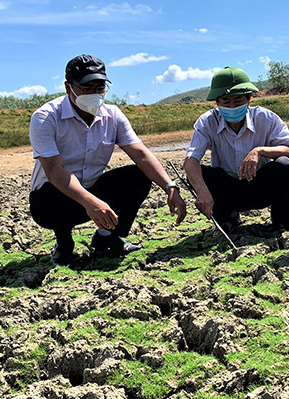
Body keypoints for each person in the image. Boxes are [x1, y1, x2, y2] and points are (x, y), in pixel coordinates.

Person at [29, 54, 186, 265]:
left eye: (99, 88)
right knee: (51, 192)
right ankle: (64, 242)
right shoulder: (45, 117)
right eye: (86, 88)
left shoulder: (113, 115)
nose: (94, 94)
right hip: (53, 198)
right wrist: (90, 201)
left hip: (93, 190)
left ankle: (107, 238)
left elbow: (140, 154)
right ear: (68, 88)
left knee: (137, 176)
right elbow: (55, 169)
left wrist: (170, 187)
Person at [184, 67, 289, 235]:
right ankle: (228, 219)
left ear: (248, 99)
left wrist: (259, 151)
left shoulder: (266, 118)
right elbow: (191, 160)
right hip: (228, 190)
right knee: (197, 173)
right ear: (217, 103)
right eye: (226, 102)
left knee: (285, 165)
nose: (232, 106)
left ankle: (282, 221)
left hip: (261, 187)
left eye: (238, 101)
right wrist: (202, 192)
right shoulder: (207, 122)